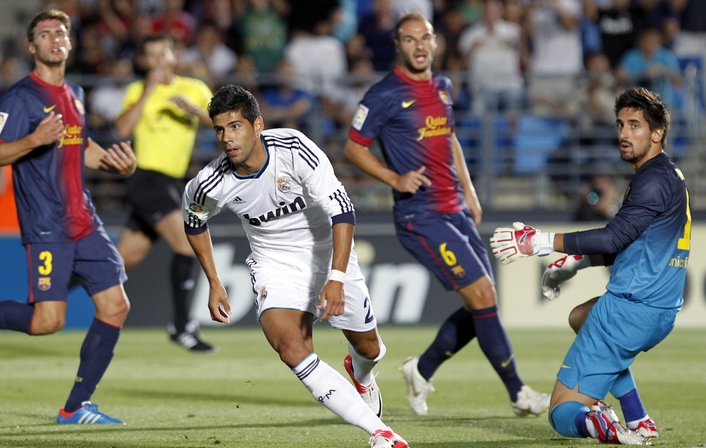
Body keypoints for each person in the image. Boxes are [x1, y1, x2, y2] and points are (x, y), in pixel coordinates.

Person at [0, 9, 137, 425]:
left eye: (61, 33)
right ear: (31, 46)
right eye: (44, 34)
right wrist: (34, 139)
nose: (54, 39)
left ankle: (75, 408)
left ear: (70, 43)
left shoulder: (74, 91)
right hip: (47, 226)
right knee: (47, 322)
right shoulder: (21, 97)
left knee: (115, 306)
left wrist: (115, 166)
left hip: (84, 220)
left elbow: (81, 145)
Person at [343, 12, 551, 418]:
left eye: (426, 38)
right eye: (409, 39)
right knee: (485, 297)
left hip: (455, 207)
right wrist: (394, 178)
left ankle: (420, 371)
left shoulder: (443, 86)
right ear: (398, 46)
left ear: (435, 42)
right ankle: (519, 393)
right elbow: (353, 147)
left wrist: (470, 191)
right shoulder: (383, 95)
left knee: (483, 306)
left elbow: (449, 137)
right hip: (421, 215)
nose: (419, 45)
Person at [183, 84, 409, 448]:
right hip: (274, 265)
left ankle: (362, 376)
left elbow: (342, 210)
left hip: (328, 255)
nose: (227, 138)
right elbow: (194, 223)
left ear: (258, 125)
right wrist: (214, 281)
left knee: (368, 348)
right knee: (290, 347)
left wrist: (335, 277)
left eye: (235, 126)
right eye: (219, 129)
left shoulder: (294, 149)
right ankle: (381, 433)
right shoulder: (209, 183)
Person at [490, 87, 689, 444]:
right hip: (660, 311)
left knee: (560, 413)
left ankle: (606, 427)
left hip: (629, 310)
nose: (624, 134)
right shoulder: (668, 176)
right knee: (581, 316)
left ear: (657, 132)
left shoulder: (651, 180)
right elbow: (629, 243)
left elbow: (613, 237)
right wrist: (575, 265)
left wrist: (539, 242)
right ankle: (638, 418)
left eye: (635, 125)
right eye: (620, 125)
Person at [114, 34, 216, 353]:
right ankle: (182, 326)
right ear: (145, 62)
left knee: (121, 260)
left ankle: (54, 294)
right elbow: (121, 129)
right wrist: (148, 91)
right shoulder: (136, 90)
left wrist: (192, 110)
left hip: (173, 180)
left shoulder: (193, 88)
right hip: (145, 179)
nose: (158, 60)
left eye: (163, 54)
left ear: (174, 56)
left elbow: (219, 121)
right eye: (152, 55)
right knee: (188, 245)